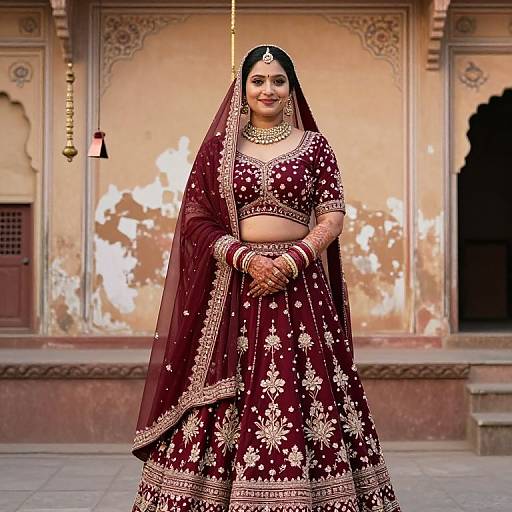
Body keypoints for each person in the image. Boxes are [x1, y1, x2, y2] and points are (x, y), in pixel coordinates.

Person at [131, 44, 401, 512]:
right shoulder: (219, 151)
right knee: (227, 394)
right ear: (243, 88)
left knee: (309, 391)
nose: (268, 89)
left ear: (291, 88)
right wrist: (246, 258)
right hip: (234, 290)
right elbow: (195, 218)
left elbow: (333, 216)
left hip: (302, 292)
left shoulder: (314, 146)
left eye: (278, 81)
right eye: (258, 80)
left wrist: (292, 260)